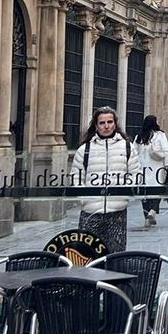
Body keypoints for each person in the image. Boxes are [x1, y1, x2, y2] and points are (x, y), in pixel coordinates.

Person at [70, 107, 136, 253]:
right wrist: (85, 199)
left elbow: (134, 175)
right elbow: (76, 177)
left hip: (117, 212)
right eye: (102, 123)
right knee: (88, 255)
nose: (106, 126)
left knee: (116, 255)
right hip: (90, 212)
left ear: (115, 124)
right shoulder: (84, 150)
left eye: (110, 122)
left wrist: (123, 197)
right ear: (96, 125)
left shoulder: (127, 147)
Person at [134, 115, 168, 225]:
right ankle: (153, 211)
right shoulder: (160, 135)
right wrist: (167, 165)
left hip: (143, 168)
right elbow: (165, 151)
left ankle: (146, 216)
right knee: (157, 191)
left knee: (144, 193)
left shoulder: (139, 137)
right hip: (156, 168)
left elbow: (134, 153)